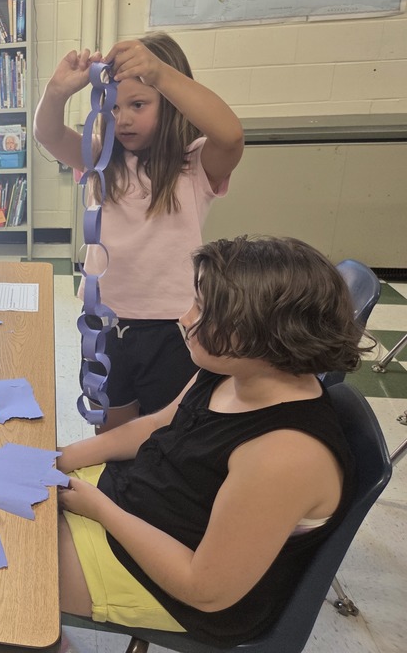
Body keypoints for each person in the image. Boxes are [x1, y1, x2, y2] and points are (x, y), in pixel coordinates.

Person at [57, 236, 369, 648]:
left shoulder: (285, 454)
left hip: (167, 581)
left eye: (202, 308)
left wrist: (98, 508)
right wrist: (65, 457)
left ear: (261, 332)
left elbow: (204, 590)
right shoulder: (237, 367)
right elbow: (155, 427)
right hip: (140, 506)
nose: (184, 317)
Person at [34, 32, 245, 430]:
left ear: (170, 104)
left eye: (138, 104)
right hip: (105, 321)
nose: (123, 118)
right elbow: (48, 133)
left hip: (172, 327)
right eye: (112, 108)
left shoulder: (195, 164)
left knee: (165, 430)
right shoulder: (100, 160)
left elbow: (230, 135)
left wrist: (161, 74)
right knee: (111, 423)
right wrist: (56, 93)